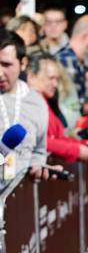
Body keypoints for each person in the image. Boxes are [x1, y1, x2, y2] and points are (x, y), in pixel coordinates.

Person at [26, 53, 88, 163]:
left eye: (57, 79)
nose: (55, 84)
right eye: (51, 78)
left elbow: (58, 137)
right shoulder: (27, 104)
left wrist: (83, 145)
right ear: (31, 77)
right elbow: (38, 141)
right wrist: (76, 150)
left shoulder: (45, 101)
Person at [0, 29, 50, 183]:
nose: (0, 73)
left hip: (20, 199)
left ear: (23, 63)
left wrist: (37, 164)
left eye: (6, 64)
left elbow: (39, 150)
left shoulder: (37, 102)